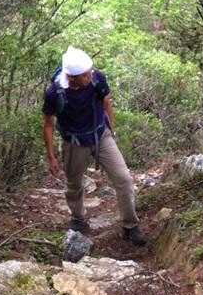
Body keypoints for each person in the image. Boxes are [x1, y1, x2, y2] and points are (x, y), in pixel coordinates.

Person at [42, 45, 147, 246]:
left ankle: (130, 225)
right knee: (74, 184)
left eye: (89, 71)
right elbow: (48, 123)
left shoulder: (97, 78)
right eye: (85, 75)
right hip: (74, 142)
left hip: (101, 135)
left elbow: (106, 101)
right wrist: (51, 156)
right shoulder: (55, 92)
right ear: (71, 78)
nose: (90, 76)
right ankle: (78, 218)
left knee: (124, 179)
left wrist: (111, 130)